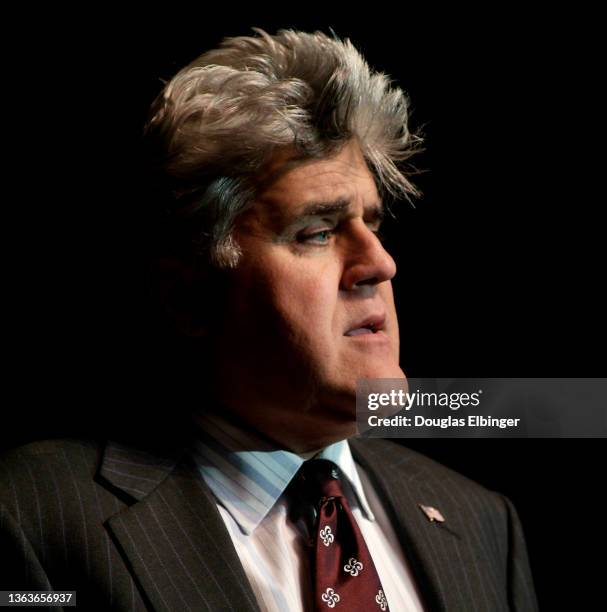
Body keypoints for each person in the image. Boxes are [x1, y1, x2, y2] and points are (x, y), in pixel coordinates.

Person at [0, 29, 538, 611]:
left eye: (373, 224)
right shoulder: (32, 513)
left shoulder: (480, 520)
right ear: (191, 297)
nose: (379, 264)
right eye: (317, 232)